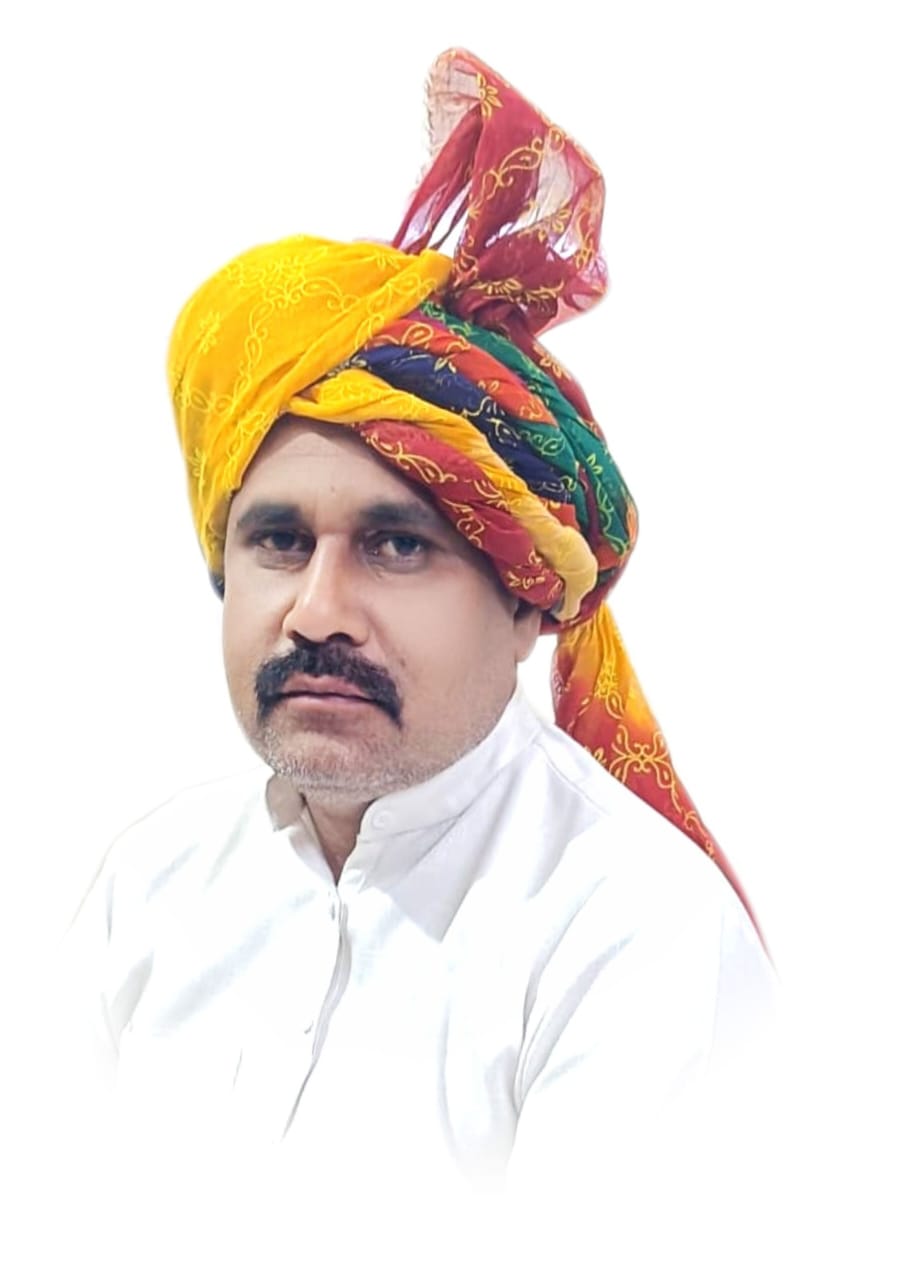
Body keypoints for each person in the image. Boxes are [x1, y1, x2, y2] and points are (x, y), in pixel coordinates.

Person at [60, 48, 776, 1258]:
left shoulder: (638, 935)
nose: (316, 611)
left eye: (397, 546)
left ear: (529, 603)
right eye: (279, 540)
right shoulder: (149, 886)